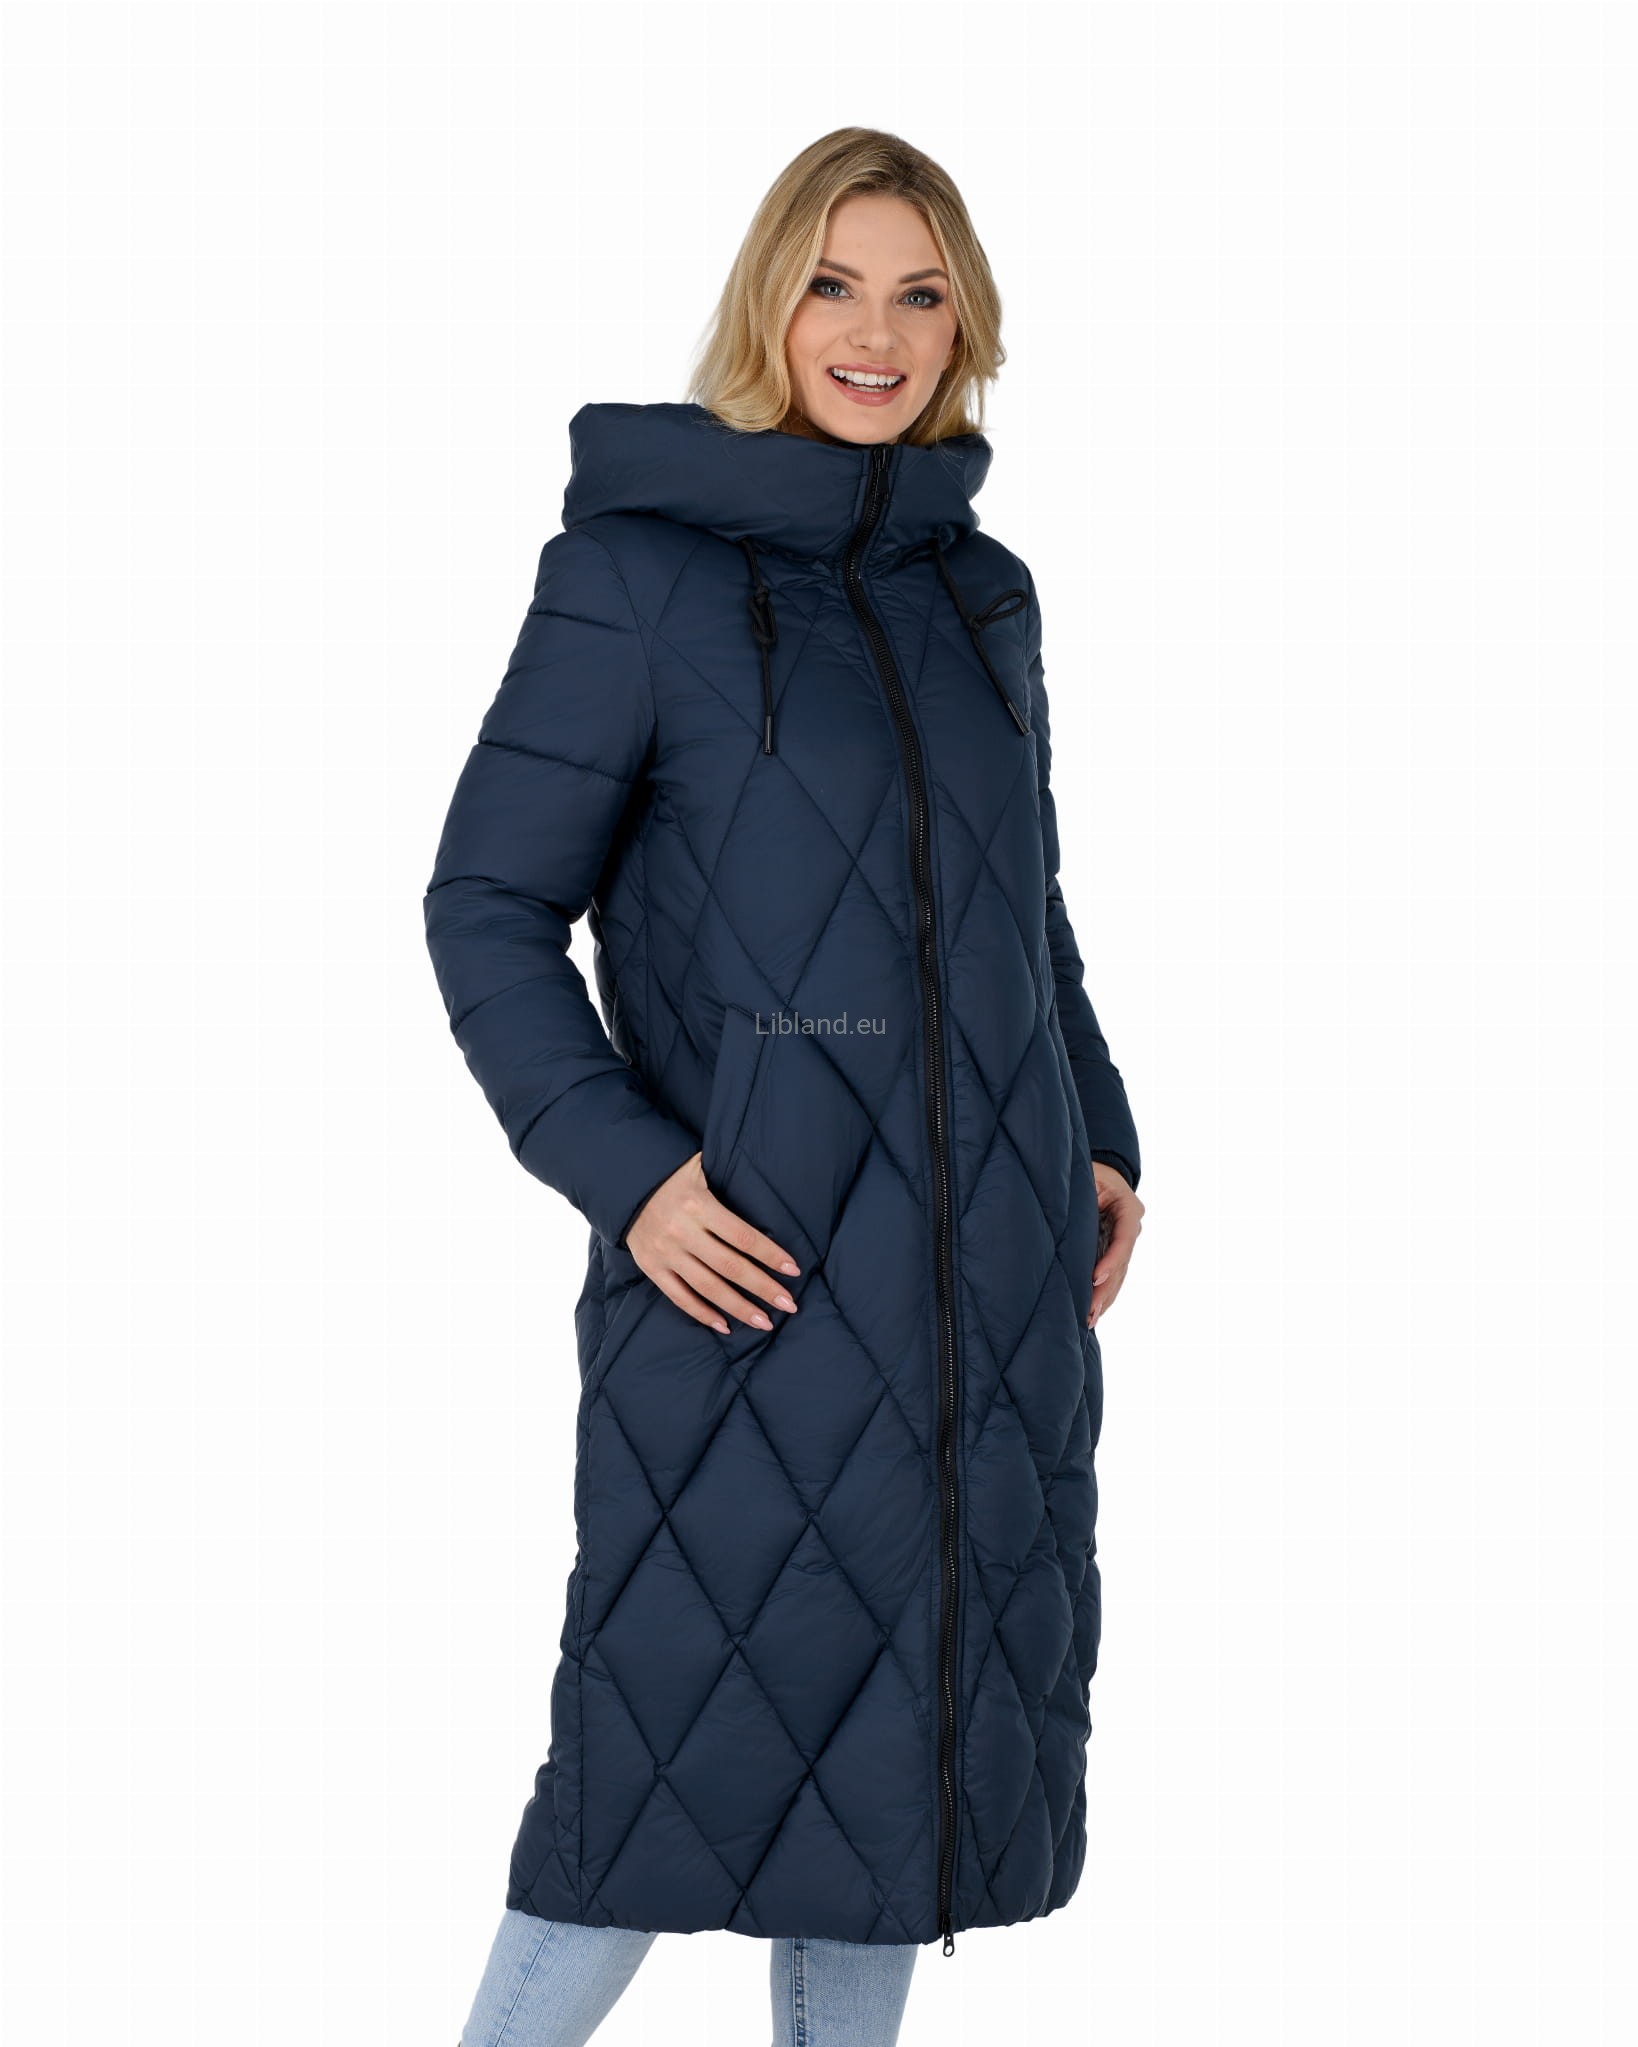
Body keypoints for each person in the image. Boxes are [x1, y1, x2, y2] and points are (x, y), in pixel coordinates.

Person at [426, 125, 1144, 2047]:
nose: (874, 332)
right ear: (768, 302)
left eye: (919, 293)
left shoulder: (981, 595)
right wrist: (629, 1174)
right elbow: (487, 907)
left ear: (966, 324)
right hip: (750, 1287)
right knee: (641, 1789)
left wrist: (1093, 1133)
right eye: (833, 283)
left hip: (981, 1296)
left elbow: (1023, 903)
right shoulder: (633, 575)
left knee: (890, 1793)